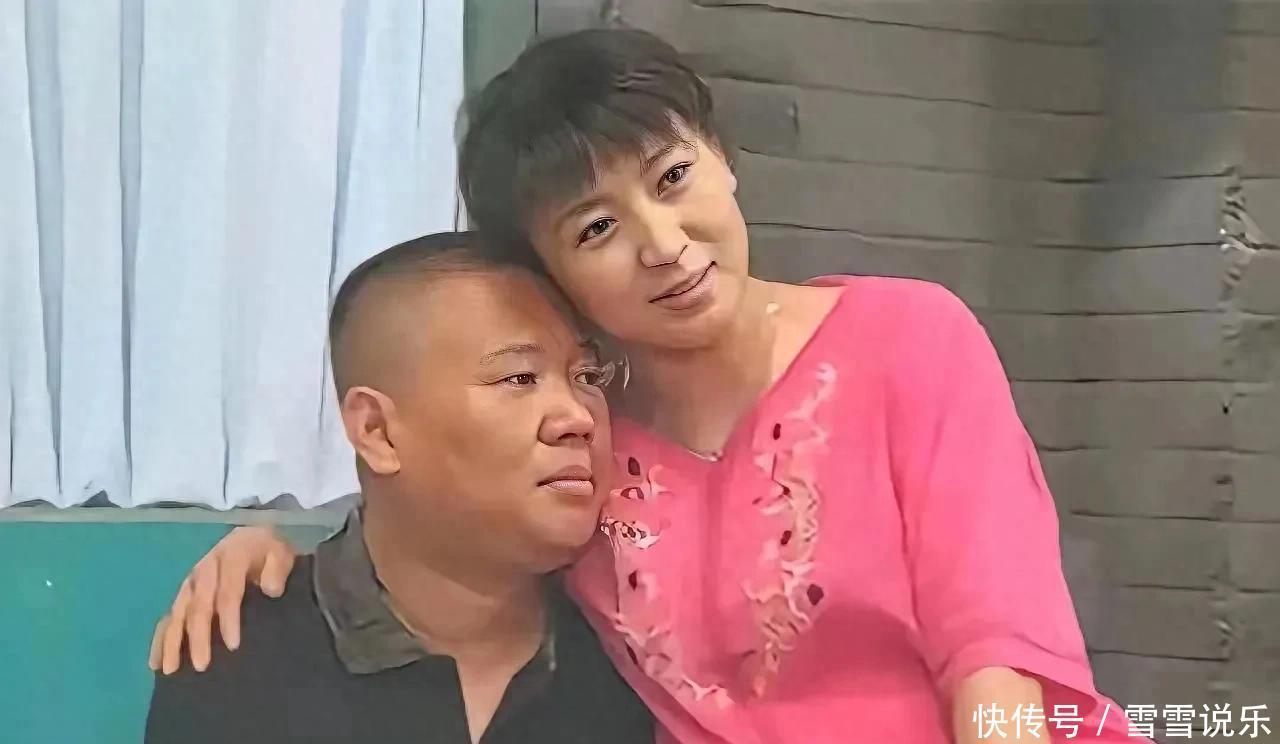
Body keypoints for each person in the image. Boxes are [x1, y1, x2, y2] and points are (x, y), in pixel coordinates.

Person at [150, 29, 1145, 744]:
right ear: (552, 274)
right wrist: (273, 555)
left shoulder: (906, 339)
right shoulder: (590, 440)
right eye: (597, 229)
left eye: (671, 178)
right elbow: (447, 535)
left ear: (723, 161)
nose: (663, 245)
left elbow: (995, 654)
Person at [144, 232, 654, 743]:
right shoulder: (238, 652)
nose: (578, 418)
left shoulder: (636, 655)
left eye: (587, 377)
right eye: (520, 378)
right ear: (377, 431)